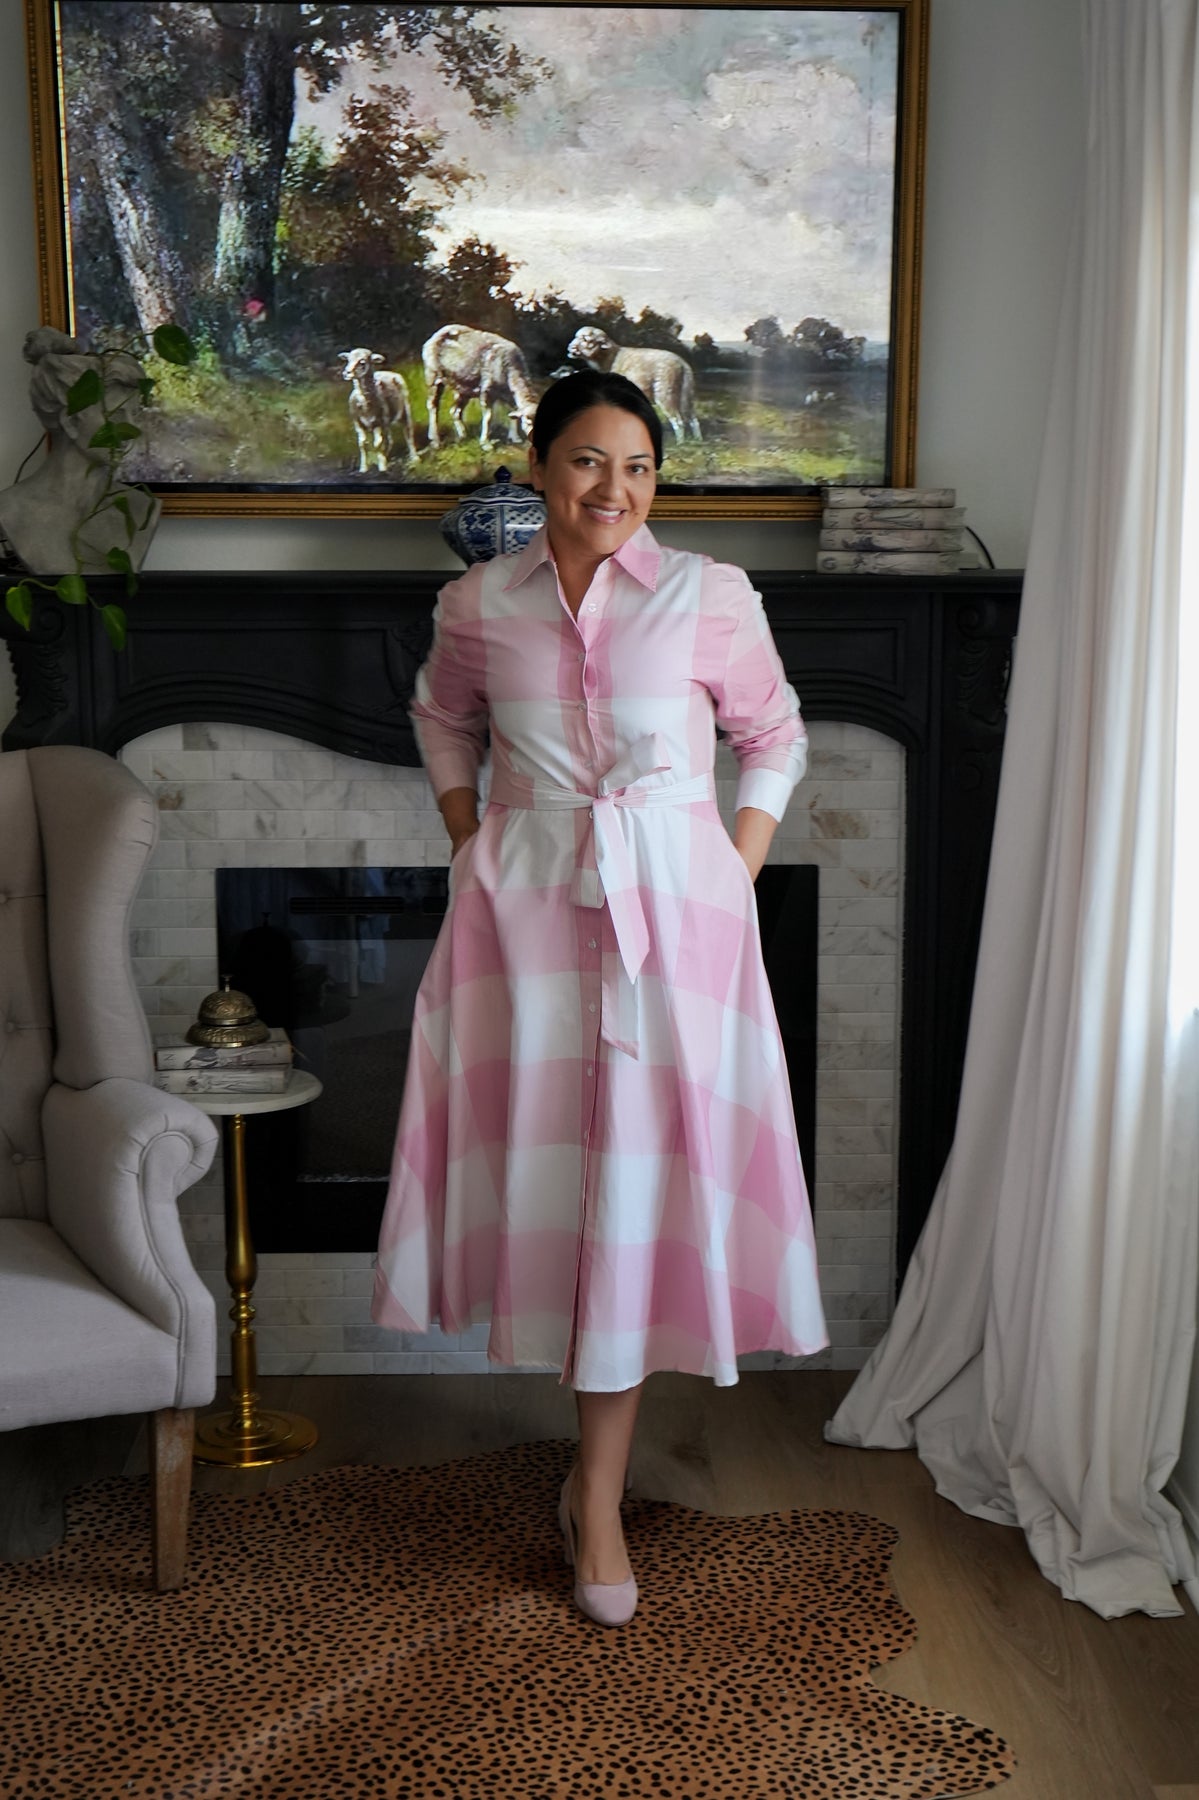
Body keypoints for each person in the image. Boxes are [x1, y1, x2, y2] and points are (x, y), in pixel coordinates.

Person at [372, 369, 827, 1626]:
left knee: (634, 1192)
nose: (611, 489)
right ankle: (590, 1478)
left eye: (636, 467)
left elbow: (774, 735)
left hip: (671, 924)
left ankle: (601, 1497)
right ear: (536, 467)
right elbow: (440, 717)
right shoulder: (477, 603)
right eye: (585, 461)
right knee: (551, 1186)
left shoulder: (709, 595)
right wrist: (468, 836)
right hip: (519, 918)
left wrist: (728, 869)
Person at [0, 327, 160, 576]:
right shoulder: (11, 509)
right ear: (71, 421)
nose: (132, 430)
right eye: (115, 415)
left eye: (136, 415)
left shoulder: (140, 509)